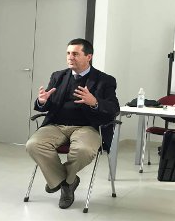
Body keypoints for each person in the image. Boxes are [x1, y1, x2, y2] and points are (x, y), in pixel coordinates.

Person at [26, 38, 120, 209]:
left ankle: (60, 182)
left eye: (75, 54)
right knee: (33, 144)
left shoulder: (105, 80)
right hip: (56, 125)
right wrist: (41, 101)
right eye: (68, 53)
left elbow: (114, 108)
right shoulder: (58, 76)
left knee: (83, 150)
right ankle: (67, 182)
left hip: (87, 127)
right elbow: (46, 105)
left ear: (88, 57)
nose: (70, 57)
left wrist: (95, 102)